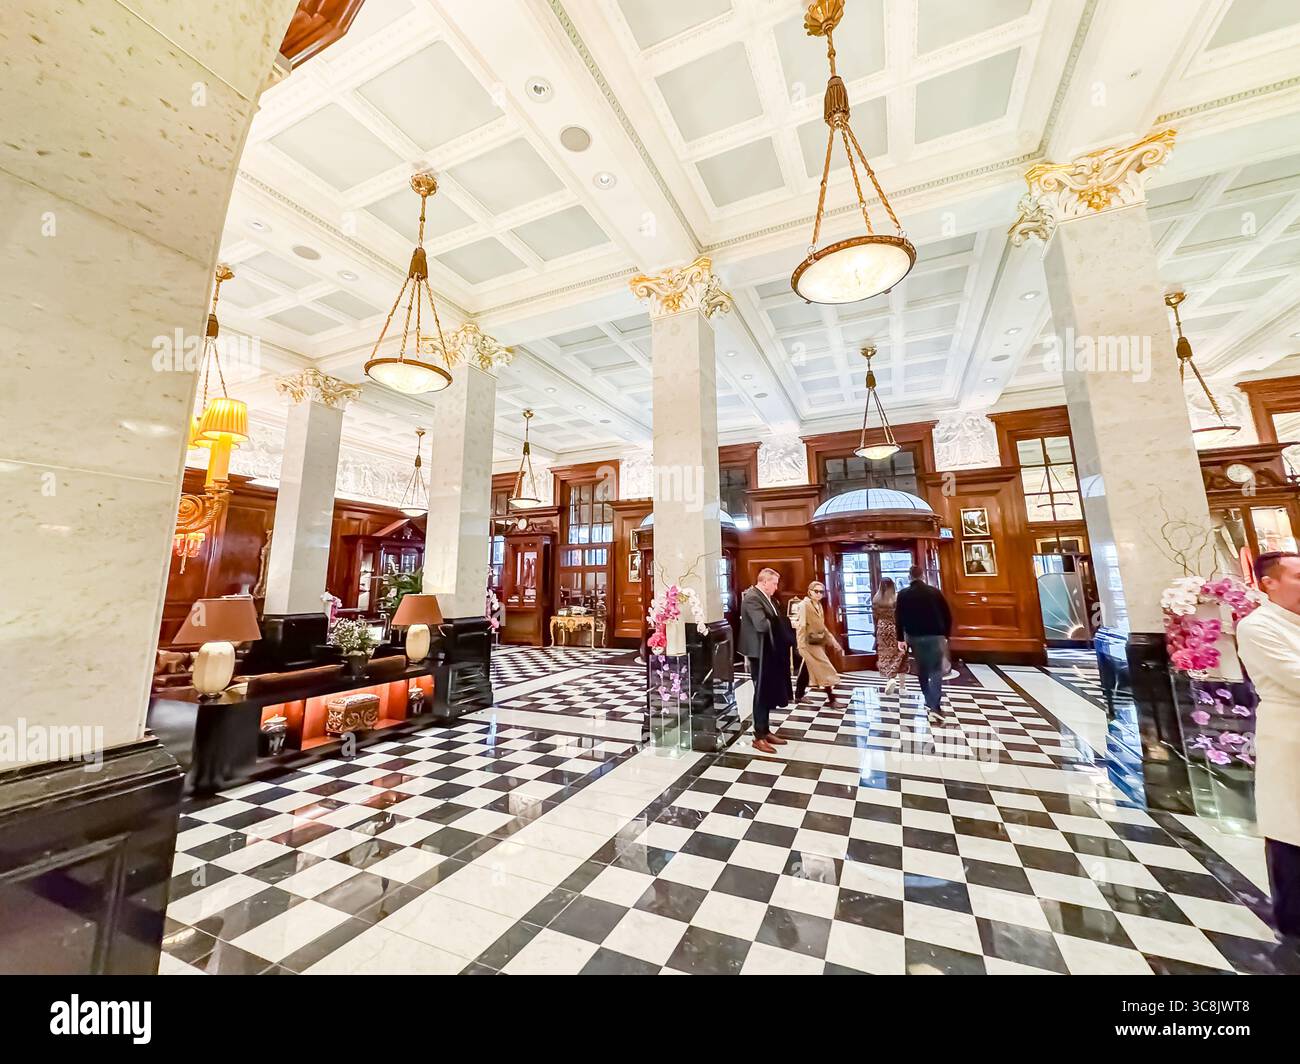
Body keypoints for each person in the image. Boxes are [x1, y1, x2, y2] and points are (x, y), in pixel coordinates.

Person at [1235, 551, 1300, 941]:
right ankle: (1294, 919)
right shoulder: (1258, 626)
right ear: (1268, 584)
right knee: (1291, 826)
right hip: (1290, 731)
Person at [739, 567, 795, 753]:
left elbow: (773, 619)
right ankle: (759, 736)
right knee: (761, 693)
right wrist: (782, 623)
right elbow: (761, 625)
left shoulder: (767, 598)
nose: (776, 587)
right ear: (764, 582)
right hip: (758, 652)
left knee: (767, 690)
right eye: (774, 583)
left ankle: (765, 730)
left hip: (769, 651)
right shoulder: (753, 597)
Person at [895, 565, 952, 727]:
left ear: (909, 577)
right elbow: (947, 614)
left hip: (915, 637)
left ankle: (929, 700)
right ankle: (935, 706)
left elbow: (899, 618)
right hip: (936, 636)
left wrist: (901, 639)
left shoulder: (903, 594)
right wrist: (946, 635)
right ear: (923, 576)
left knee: (922, 670)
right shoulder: (935, 592)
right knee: (936, 671)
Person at [795, 581, 841, 706]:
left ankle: (799, 694)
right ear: (809, 591)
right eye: (816, 591)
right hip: (808, 643)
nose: (819, 594)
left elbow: (822, 626)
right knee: (824, 668)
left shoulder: (818, 605)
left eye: (821, 591)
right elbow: (801, 625)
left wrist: (832, 640)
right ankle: (832, 699)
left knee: (807, 668)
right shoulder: (804, 605)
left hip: (817, 642)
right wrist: (800, 644)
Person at [873, 578, 906, 697]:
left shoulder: (876, 599)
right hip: (895, 628)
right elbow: (901, 616)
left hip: (882, 628)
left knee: (885, 655)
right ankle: (902, 686)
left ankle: (890, 679)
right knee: (901, 654)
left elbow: (875, 616)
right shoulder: (896, 598)